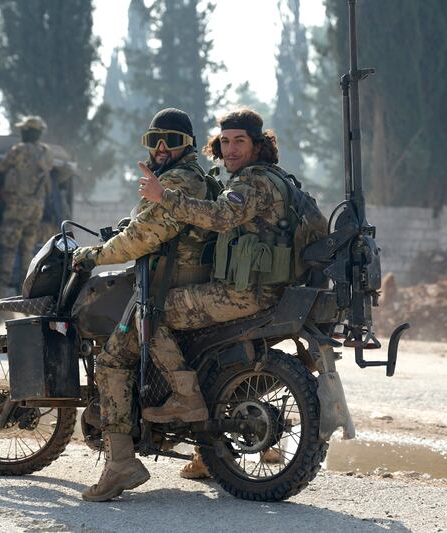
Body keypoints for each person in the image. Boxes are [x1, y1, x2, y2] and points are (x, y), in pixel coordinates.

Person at [138, 107, 328, 479]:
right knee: (207, 351)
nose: (231, 149)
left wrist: (165, 198)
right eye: (224, 141)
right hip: (275, 293)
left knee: (154, 312)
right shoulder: (280, 178)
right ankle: (207, 454)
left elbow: (221, 217)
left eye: (239, 141)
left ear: (258, 145)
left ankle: (184, 398)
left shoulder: (252, 182)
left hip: (246, 295)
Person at [72, 108, 215, 502]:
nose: (162, 148)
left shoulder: (179, 181)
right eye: (155, 141)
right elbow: (145, 225)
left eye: (171, 140)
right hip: (182, 284)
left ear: (188, 145)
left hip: (168, 289)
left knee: (114, 359)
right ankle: (207, 454)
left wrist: (94, 256)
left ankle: (121, 463)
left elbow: (144, 238)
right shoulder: (182, 179)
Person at [0, 116, 53, 298]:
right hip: (36, 208)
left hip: (18, 206)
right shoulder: (45, 152)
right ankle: (25, 292)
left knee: (9, 247)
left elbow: (1, 167)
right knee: (28, 248)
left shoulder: (18, 150)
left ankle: (1, 290)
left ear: (26, 132)